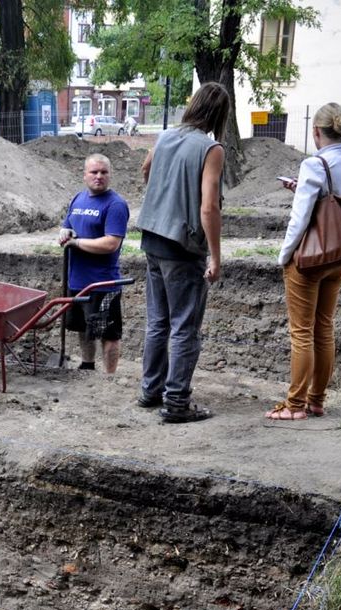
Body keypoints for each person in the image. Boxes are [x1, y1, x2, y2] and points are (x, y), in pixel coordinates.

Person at [134, 81, 230, 423]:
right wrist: (215, 256)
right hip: (182, 246)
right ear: (220, 114)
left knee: (158, 321)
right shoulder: (211, 148)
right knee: (184, 326)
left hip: (153, 238)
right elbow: (209, 208)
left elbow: (146, 170)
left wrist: (163, 197)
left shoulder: (165, 137)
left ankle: (151, 391)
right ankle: (176, 402)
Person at [266, 103, 341, 421]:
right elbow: (335, 205)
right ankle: (316, 400)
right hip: (339, 257)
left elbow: (301, 217)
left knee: (301, 332)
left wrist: (284, 256)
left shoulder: (313, 163)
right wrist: (301, 188)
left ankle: (294, 406)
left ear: (316, 132)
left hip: (309, 259)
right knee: (324, 328)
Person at [57, 154, 130, 376]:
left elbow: (111, 243)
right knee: (82, 328)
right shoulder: (78, 199)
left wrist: (77, 242)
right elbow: (68, 226)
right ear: (85, 175)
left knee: (109, 333)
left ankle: (110, 376)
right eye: (94, 172)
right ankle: (87, 365)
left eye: (103, 172)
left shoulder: (115, 204)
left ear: (109, 175)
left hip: (103, 283)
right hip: (76, 279)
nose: (99, 176)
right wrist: (64, 231)